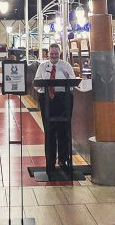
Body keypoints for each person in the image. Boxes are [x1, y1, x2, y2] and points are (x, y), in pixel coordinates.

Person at [34, 43, 74, 179]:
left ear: (60, 53)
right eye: (52, 53)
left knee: (64, 131)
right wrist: (44, 87)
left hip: (63, 100)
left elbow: (73, 83)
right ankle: (50, 163)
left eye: (56, 53)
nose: (54, 56)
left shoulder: (66, 66)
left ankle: (63, 160)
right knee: (49, 132)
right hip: (47, 100)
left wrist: (68, 78)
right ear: (48, 54)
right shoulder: (42, 66)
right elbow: (36, 83)